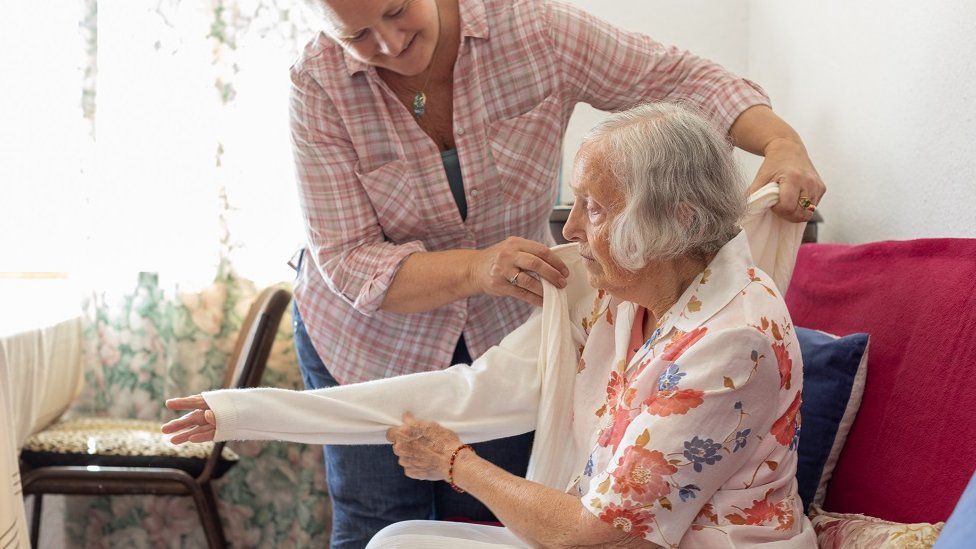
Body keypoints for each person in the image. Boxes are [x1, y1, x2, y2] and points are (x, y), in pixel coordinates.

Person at [287, 0, 824, 544]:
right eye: (356, 36)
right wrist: (231, 412)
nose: (388, 43)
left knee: (477, 514)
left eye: (397, 10)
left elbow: (683, 80)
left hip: (507, 312)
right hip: (369, 334)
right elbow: (349, 260)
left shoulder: (533, 30)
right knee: (374, 522)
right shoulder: (318, 84)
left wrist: (782, 143)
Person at [164, 102, 817, 547]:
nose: (568, 230)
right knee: (395, 538)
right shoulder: (623, 289)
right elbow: (464, 393)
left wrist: (455, 462)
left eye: (591, 208)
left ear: (674, 220)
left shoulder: (731, 339)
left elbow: (595, 534)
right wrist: (238, 412)